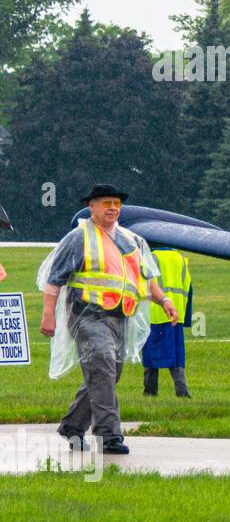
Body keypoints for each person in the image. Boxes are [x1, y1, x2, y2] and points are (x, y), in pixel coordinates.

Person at [39, 185, 178, 454]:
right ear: (91, 207)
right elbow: (54, 281)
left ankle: (72, 426)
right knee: (102, 367)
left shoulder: (131, 240)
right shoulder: (78, 238)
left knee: (107, 375)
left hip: (120, 317)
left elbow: (146, 279)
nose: (113, 208)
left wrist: (165, 301)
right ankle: (109, 437)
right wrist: (48, 317)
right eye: (106, 203)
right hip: (87, 316)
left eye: (116, 203)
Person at [142, 246, 193, 397]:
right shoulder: (181, 259)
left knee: (151, 355)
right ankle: (182, 391)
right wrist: (186, 318)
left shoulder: (150, 257)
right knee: (176, 355)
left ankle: (150, 391)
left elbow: (144, 284)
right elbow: (189, 289)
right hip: (175, 314)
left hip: (154, 314)